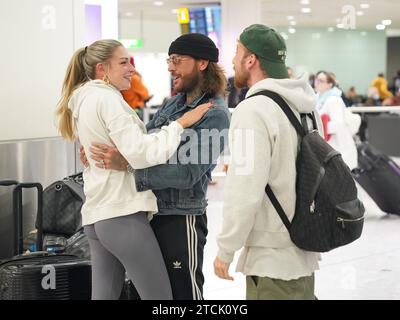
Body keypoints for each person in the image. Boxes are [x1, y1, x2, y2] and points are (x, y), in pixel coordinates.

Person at [56, 39, 213, 300]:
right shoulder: (107, 99)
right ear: (101, 69)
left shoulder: (84, 99)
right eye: (123, 62)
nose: (131, 68)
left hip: (98, 217)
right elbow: (142, 153)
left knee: (104, 296)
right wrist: (179, 125)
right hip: (122, 215)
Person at [213, 24, 321, 300]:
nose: (234, 60)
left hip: (271, 260)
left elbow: (245, 189)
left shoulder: (254, 110)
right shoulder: (306, 107)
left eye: (237, 52)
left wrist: (226, 249)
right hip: (303, 250)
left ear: (251, 60)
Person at [314, 71, 361, 170]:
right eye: (316, 79)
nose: (317, 82)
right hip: (327, 146)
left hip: (338, 146)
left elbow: (337, 124)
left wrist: (319, 127)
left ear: (329, 84)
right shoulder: (318, 98)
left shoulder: (333, 100)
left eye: (321, 80)